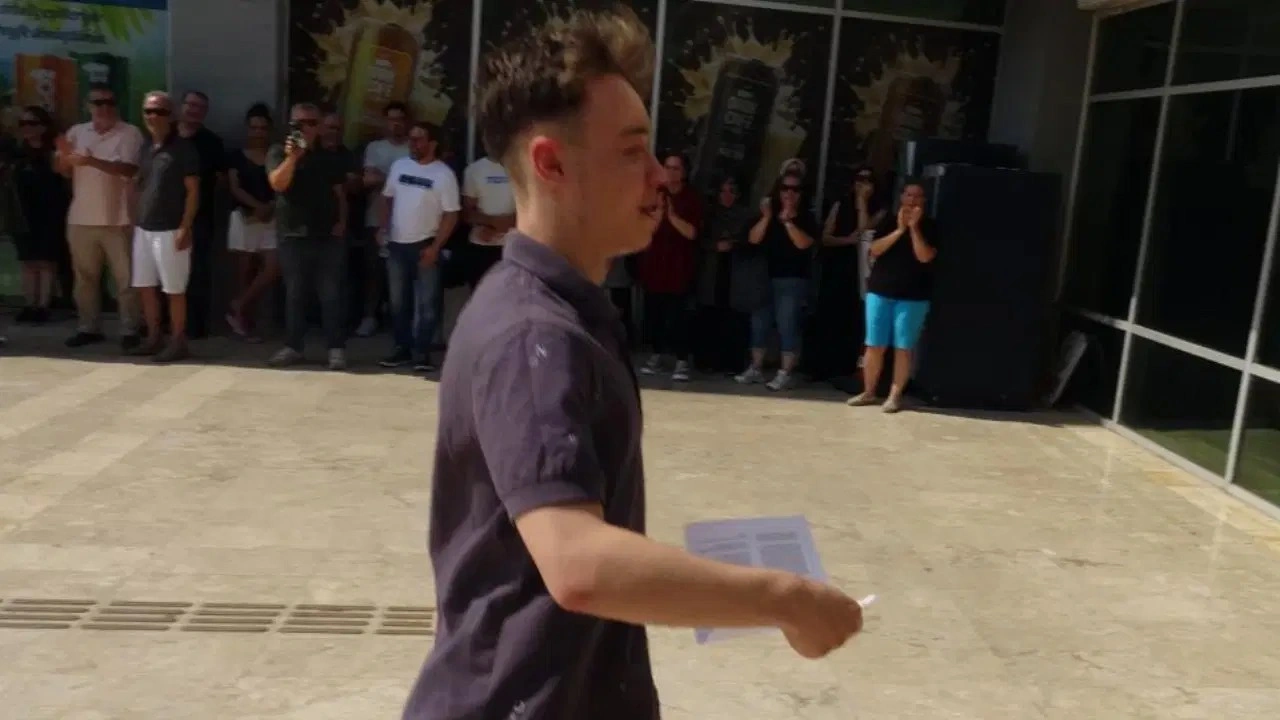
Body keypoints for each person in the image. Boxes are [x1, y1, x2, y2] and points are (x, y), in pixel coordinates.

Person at [402, 9, 864, 720]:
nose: (658, 177)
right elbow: (577, 563)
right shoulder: (533, 336)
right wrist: (786, 599)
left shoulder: (563, 312)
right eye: (631, 153)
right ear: (551, 164)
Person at [55, 82, 144, 350]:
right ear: (88, 106)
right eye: (98, 103)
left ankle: (130, 329)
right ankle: (88, 327)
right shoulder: (77, 132)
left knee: (126, 279)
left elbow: (129, 169)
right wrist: (63, 157)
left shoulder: (130, 133)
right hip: (81, 218)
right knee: (85, 279)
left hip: (119, 218)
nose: (104, 108)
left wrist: (91, 161)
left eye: (109, 103)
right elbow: (64, 171)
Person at [266, 102, 352, 370]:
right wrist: (293, 157)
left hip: (327, 234)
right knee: (295, 293)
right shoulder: (278, 151)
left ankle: (335, 348)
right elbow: (278, 184)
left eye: (312, 123)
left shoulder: (329, 156)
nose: (306, 128)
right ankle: (293, 346)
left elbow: (340, 193)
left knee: (331, 293)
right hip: (292, 234)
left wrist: (342, 222)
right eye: (299, 123)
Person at [847, 179, 938, 413]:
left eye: (917, 196)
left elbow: (925, 256)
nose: (912, 201)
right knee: (874, 344)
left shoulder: (931, 226)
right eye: (909, 195)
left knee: (903, 347)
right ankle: (869, 391)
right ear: (901, 197)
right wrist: (899, 230)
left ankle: (894, 396)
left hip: (913, 297)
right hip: (880, 292)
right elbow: (874, 250)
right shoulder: (888, 220)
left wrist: (913, 229)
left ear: (924, 201)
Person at [376, 122, 460, 371]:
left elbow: (451, 215)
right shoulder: (399, 166)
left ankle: (422, 353)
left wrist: (436, 247)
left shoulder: (444, 174)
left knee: (427, 305)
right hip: (397, 245)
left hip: (425, 244)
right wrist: (382, 228)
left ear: (433, 143)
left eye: (418, 139)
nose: (412, 144)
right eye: (411, 139)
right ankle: (401, 349)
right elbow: (386, 198)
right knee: (398, 303)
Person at [130, 91, 200, 362]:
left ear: (170, 116)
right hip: (144, 228)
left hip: (171, 229)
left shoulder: (183, 149)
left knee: (174, 289)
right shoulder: (146, 147)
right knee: (145, 286)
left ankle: (178, 341)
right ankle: (153, 337)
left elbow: (193, 191)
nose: (153, 116)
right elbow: (140, 184)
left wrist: (185, 226)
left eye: (159, 111)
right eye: (148, 111)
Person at [735, 170, 817, 391]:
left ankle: (785, 372)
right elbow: (753, 239)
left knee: (787, 324)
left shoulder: (807, 217)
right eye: (785, 188)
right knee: (759, 323)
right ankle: (756, 367)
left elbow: (803, 244)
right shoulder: (767, 214)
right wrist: (767, 217)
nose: (789, 193)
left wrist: (788, 222)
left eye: (795, 189)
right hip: (764, 277)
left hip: (792, 279)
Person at [811, 165, 886, 380]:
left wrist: (862, 203)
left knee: (853, 315)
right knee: (829, 312)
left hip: (860, 266)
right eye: (859, 180)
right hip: (837, 263)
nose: (862, 185)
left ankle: (846, 366)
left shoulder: (880, 209)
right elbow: (826, 237)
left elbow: (864, 232)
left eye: (868, 180)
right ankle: (821, 365)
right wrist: (846, 240)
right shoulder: (840, 204)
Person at [635, 152, 703, 381]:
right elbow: (643, 230)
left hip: (680, 269)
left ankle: (682, 361)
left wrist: (672, 216)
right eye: (667, 167)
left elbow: (692, 232)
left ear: (684, 172)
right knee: (654, 314)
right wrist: (658, 216)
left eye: (676, 168)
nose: (671, 172)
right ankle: (656, 356)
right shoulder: (655, 194)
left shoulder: (691, 198)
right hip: (655, 266)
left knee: (679, 317)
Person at [8, 106, 70, 324]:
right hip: (22, 212)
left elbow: (63, 177)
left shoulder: (52, 151)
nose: (27, 128)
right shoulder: (16, 153)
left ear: (44, 127)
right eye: (23, 124)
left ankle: (43, 304)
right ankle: (29, 303)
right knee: (27, 260)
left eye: (32, 123)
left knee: (46, 261)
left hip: (49, 212)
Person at [356, 101, 412, 337]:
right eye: (391, 119)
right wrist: (401, 179)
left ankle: (402, 321)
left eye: (399, 119)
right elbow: (368, 180)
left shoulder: (413, 148)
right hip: (376, 217)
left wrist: (385, 177)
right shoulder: (375, 148)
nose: (395, 123)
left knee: (404, 273)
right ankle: (370, 316)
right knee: (374, 271)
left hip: (409, 220)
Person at [225, 103, 278, 342]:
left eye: (262, 128)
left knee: (274, 266)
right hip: (244, 216)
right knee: (244, 272)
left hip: (272, 217)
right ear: (247, 129)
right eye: (254, 128)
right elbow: (234, 187)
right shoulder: (235, 156)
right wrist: (257, 206)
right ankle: (243, 323)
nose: (258, 132)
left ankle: (238, 304)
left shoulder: (276, 155)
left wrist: (270, 207)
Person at [176, 90, 225, 339]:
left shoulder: (212, 143)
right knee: (166, 272)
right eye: (191, 105)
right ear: (181, 106)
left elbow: (220, 180)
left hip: (200, 217)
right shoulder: (166, 137)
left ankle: (195, 326)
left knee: (197, 273)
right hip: (165, 216)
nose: (194, 110)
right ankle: (166, 324)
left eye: (200, 107)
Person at [693, 175, 752, 373]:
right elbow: (698, 240)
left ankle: (730, 363)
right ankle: (705, 361)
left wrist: (734, 244)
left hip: (736, 272)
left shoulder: (746, 216)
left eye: (731, 191)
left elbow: (751, 242)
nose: (727, 196)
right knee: (709, 315)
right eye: (723, 191)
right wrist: (715, 246)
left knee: (733, 318)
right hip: (712, 272)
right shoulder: (710, 215)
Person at [460, 150, 516, 286]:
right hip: (482, 246)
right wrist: (491, 223)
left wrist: (509, 223)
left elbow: (532, 208)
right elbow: (466, 212)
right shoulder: (474, 169)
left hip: (513, 247)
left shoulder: (521, 167)